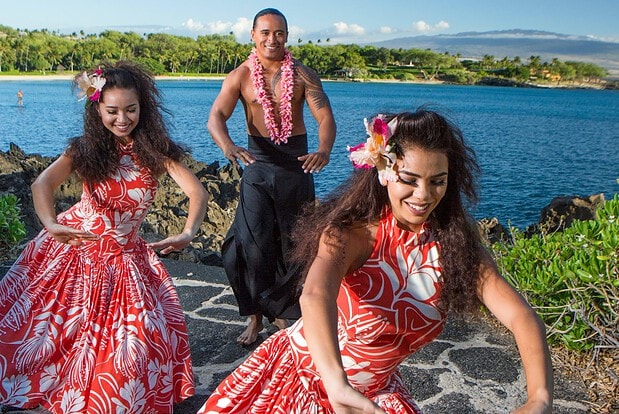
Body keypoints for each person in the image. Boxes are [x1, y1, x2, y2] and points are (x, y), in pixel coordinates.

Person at [198, 108, 553, 413]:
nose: (423, 195)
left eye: (437, 181)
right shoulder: (350, 235)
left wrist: (539, 397)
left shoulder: (456, 249)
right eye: (409, 180)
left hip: (373, 395)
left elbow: (520, 316)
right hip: (301, 380)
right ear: (384, 173)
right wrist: (337, 384)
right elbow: (315, 295)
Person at [0, 61, 208, 413]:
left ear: (143, 106)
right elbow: (42, 184)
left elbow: (197, 193)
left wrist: (188, 232)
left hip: (127, 260)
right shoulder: (83, 149)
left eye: (131, 109)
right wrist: (51, 225)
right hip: (76, 251)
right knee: (46, 341)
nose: (122, 119)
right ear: (97, 109)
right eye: (112, 111)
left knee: (139, 352)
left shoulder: (156, 151)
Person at [208, 7, 336, 345]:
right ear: (253, 35)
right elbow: (216, 117)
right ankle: (254, 316)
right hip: (258, 166)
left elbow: (324, 117)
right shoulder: (240, 76)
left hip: (297, 166)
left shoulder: (305, 75)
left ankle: (286, 314)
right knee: (249, 245)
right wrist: (228, 146)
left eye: (278, 32)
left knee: (296, 244)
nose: (272, 39)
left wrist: (323, 150)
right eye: (265, 32)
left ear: (287, 36)